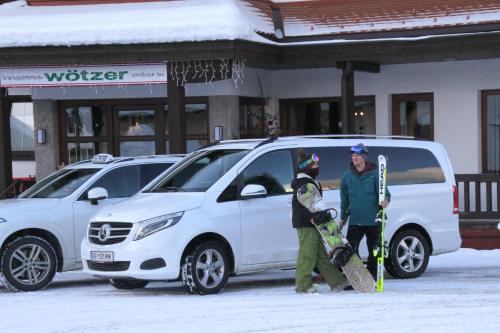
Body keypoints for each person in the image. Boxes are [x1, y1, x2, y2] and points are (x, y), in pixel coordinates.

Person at [291, 149, 347, 293]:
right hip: (306, 224)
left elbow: (316, 203)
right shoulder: (302, 183)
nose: (317, 167)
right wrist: (309, 217)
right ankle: (303, 285)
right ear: (307, 167)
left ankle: (337, 281)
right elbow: (300, 207)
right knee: (307, 253)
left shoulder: (312, 181)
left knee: (321, 255)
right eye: (314, 165)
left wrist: (321, 217)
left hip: (316, 223)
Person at [339, 143, 390, 281]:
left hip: (373, 220)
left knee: (373, 252)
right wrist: (343, 219)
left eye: (357, 155)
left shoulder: (375, 175)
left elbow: (386, 194)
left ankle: (372, 277)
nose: (354, 158)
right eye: (353, 155)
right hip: (355, 220)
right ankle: (358, 277)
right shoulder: (346, 177)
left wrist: (385, 201)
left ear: (364, 157)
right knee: (351, 252)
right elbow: (344, 201)